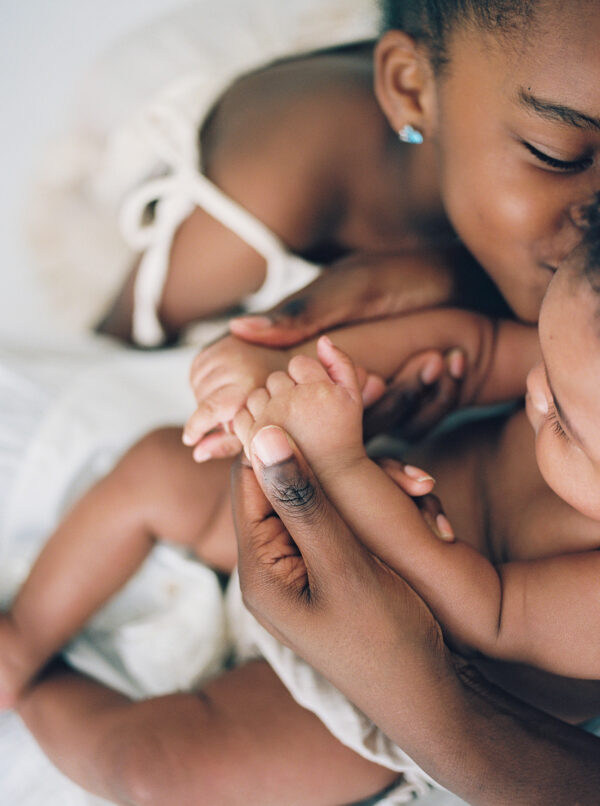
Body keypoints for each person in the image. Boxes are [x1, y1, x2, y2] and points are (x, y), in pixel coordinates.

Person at [4, 199, 600, 805]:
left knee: (159, 771)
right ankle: (23, 637)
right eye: (548, 363)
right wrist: (306, 372)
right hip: (323, 504)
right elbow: (473, 349)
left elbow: (487, 614)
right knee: (161, 467)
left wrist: (341, 467)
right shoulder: (581, 368)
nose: (534, 391)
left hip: (391, 686)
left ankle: (39, 694)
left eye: (565, 426)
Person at [97, 0, 594, 355]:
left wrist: (444, 276)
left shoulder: (515, 143)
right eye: (559, 156)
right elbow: (114, 343)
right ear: (412, 91)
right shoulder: (283, 175)